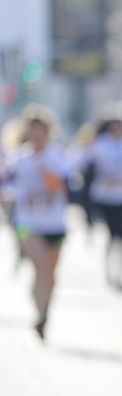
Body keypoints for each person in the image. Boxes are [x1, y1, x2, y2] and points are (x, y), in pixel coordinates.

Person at [9, 106, 70, 339]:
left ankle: (45, 311)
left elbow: (67, 188)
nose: (37, 138)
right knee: (40, 267)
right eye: (33, 133)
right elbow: (8, 184)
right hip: (27, 223)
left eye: (41, 133)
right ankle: (40, 312)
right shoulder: (19, 158)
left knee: (50, 274)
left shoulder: (57, 156)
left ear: (48, 133)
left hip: (54, 223)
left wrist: (48, 176)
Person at [82, 107, 122, 291]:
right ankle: (109, 271)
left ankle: (121, 273)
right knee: (109, 237)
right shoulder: (100, 145)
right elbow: (86, 169)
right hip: (104, 197)